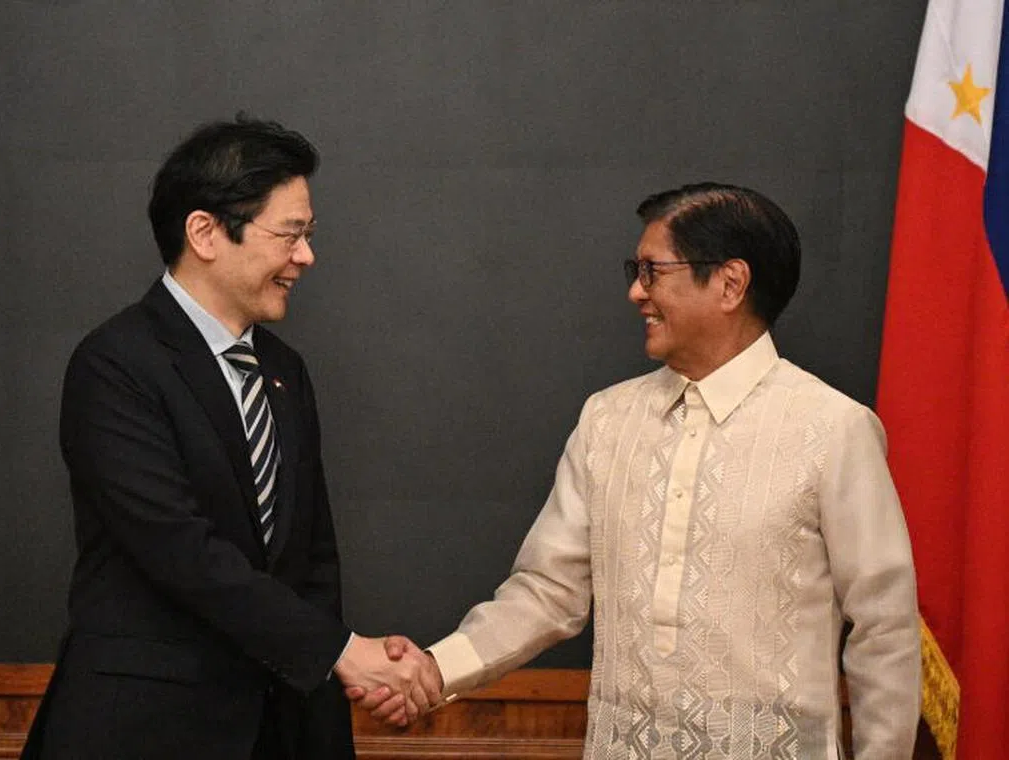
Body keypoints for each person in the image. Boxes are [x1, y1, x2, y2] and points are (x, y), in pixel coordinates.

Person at [355, 183, 921, 759]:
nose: (635, 292)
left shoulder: (832, 428)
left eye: (652, 271)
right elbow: (549, 591)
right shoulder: (608, 420)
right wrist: (434, 668)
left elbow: (885, 628)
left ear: (730, 283)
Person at [21, 115, 438, 760]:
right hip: (145, 729)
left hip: (280, 725)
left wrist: (339, 669)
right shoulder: (115, 364)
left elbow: (312, 560)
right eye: (290, 234)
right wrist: (340, 651)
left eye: (307, 235)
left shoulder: (284, 370)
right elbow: (179, 549)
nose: (305, 256)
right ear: (205, 232)